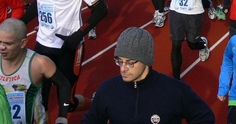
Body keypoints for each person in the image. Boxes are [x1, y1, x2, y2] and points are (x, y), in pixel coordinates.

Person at [21, 0, 108, 117]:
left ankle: (95, 104)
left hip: (69, 46)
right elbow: (39, 3)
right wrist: (19, 23)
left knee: (68, 102)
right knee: (39, 99)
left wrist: (78, 34)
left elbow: (100, 9)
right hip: (43, 44)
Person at [81, 27, 215, 123]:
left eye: (130, 62)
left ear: (146, 61)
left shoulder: (175, 90)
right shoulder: (107, 90)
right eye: (119, 61)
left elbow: (205, 117)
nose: (123, 68)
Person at [0, 18, 71, 124]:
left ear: (23, 43)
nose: (2, 47)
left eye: (8, 44)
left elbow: (64, 85)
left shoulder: (39, 63)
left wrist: (62, 118)